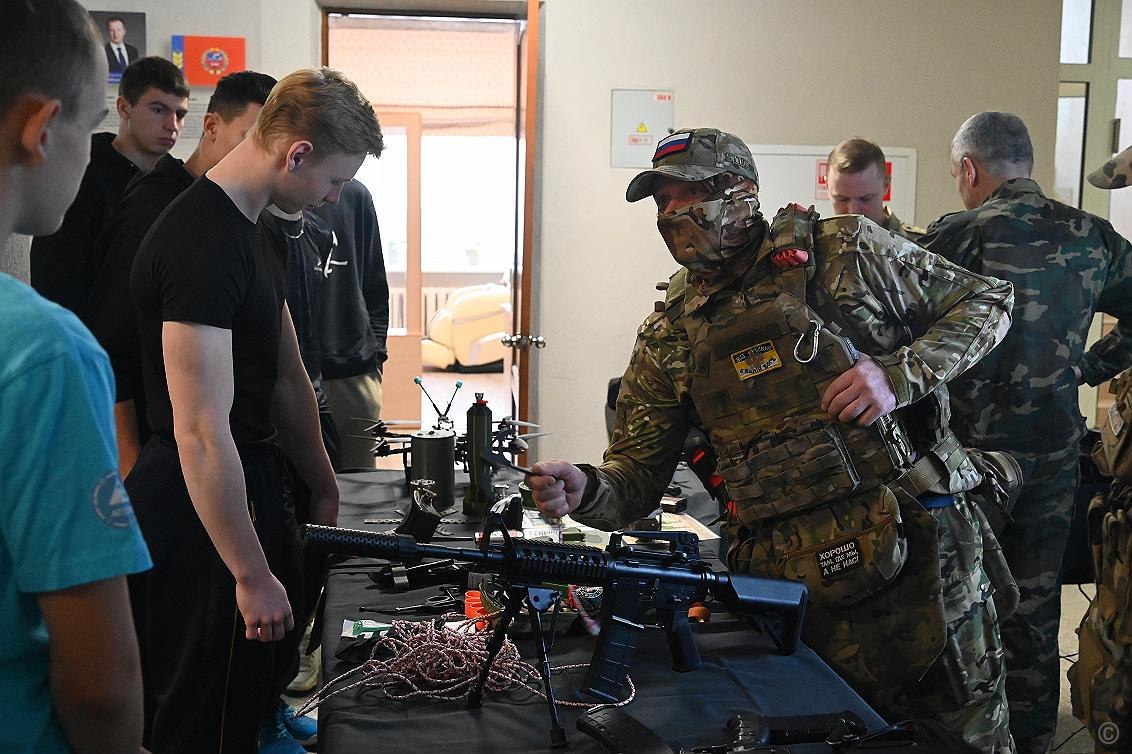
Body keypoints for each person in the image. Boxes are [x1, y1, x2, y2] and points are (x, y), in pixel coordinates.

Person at [528, 128, 1017, 751]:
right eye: (662, 200)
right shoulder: (672, 331)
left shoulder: (846, 254)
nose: (673, 212)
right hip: (793, 584)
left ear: (741, 192)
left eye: (689, 193)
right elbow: (634, 479)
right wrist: (585, 490)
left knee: (960, 737)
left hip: (921, 553)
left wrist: (896, 375)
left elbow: (989, 303)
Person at [127, 67, 382, 753]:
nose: (333, 199)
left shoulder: (260, 227)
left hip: (254, 483)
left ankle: (264, 720)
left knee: (255, 682)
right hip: (199, 510)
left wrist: (325, 484)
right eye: (334, 181)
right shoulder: (200, 243)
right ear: (296, 153)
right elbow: (200, 431)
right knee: (205, 712)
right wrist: (248, 571)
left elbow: (287, 375)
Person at [918, 111, 1132, 754]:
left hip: (968, 460)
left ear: (968, 168)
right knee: (1036, 605)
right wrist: (1084, 370)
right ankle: (1033, 736)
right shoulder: (1093, 236)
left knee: (957, 599)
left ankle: (963, 735)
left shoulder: (954, 237)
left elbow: (901, 334)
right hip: (1053, 450)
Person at [0, 1, 152, 752]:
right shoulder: (43, 353)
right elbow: (99, 683)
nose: (93, 154)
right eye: (92, 126)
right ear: (40, 130)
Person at [86, 70, 277, 479]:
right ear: (211, 126)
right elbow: (113, 339)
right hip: (168, 450)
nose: (264, 155)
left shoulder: (250, 213)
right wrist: (129, 457)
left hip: (237, 449)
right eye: (250, 137)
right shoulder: (155, 206)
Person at [30, 55, 189, 319]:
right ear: (124, 108)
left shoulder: (177, 182)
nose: (172, 125)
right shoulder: (83, 171)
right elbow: (54, 277)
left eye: (180, 114)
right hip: (86, 340)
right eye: (158, 109)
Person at [312, 178, 390, 469]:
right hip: (289, 374)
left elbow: (375, 281)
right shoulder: (273, 195)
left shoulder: (355, 195)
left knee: (360, 484)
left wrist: (376, 351)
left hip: (355, 369)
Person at [827, 137, 923, 239]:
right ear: (827, 187)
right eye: (842, 199)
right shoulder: (814, 247)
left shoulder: (921, 247)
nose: (853, 211)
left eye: (865, 198)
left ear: (886, 185)